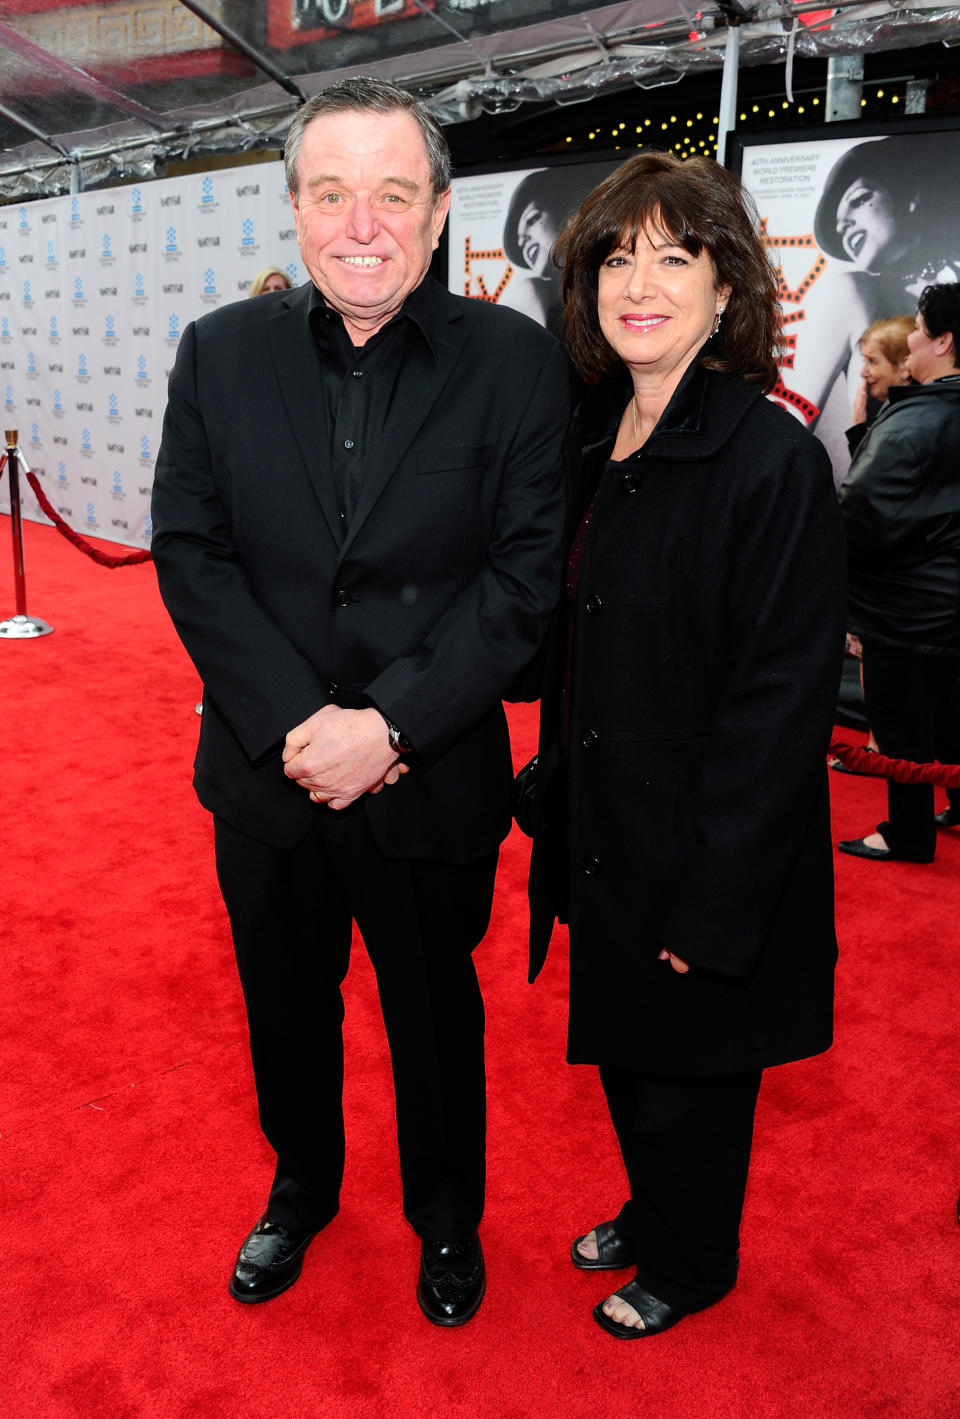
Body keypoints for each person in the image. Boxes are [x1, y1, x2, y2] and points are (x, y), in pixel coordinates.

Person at [151, 76, 569, 1327]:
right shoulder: (218, 353)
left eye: (393, 194)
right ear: (292, 209)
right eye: (331, 193)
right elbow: (191, 550)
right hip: (264, 778)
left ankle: (448, 1220)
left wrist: (388, 725)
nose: (361, 223)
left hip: (429, 774)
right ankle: (301, 1189)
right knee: (285, 1008)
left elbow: (522, 577)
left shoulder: (515, 363)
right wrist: (297, 728)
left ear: (441, 215)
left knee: (436, 1013)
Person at [526, 151, 846, 1339]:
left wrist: (713, 909)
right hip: (609, 822)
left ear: (728, 289)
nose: (639, 283)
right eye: (616, 257)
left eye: (675, 255)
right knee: (628, 1054)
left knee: (694, 1074)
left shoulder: (769, 462)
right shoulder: (594, 434)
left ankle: (692, 1258)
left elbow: (779, 712)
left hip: (711, 853)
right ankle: (655, 1206)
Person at [837, 281, 960, 863]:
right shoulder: (919, 417)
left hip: (906, 609)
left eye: (917, 326)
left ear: (943, 341)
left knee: (903, 727)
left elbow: (860, 514)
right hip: (945, 603)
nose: (910, 336)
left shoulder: (914, 422)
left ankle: (908, 835)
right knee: (951, 713)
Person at [788, 134, 958, 460]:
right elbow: (791, 422)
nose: (842, 226)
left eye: (858, 200)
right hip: (890, 503)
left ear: (911, 197)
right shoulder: (853, 291)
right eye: (837, 224)